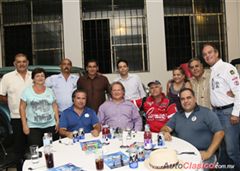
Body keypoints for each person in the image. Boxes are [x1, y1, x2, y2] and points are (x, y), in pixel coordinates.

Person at [161, 88, 224, 170]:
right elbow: (165, 128)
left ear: (194, 98)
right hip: (182, 153)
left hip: (202, 154)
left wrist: (209, 153)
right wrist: (165, 132)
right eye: (182, 99)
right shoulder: (177, 115)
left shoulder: (207, 113)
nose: (186, 101)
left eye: (189, 98)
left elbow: (220, 133)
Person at [202, 42, 240, 170]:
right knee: (222, 147)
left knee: (232, 150)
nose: (207, 56)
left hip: (228, 113)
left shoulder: (227, 68)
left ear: (217, 53)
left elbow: (238, 91)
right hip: (217, 113)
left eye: (210, 52)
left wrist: (235, 113)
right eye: (204, 54)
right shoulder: (212, 71)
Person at [0, 53, 32, 171]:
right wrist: (12, 101)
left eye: (24, 61)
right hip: (16, 117)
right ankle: (21, 168)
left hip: (34, 117)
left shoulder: (34, 76)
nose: (21, 64)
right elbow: (1, 95)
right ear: (14, 64)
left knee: (34, 145)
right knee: (19, 147)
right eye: (19, 62)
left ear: (27, 63)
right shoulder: (7, 77)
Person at [19, 68, 59, 147]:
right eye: (37, 76)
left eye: (42, 76)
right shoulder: (27, 91)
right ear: (33, 79)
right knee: (36, 149)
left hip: (50, 125)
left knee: (50, 148)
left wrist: (57, 120)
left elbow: (54, 105)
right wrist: (24, 125)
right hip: (34, 127)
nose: (40, 78)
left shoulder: (50, 91)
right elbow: (22, 108)